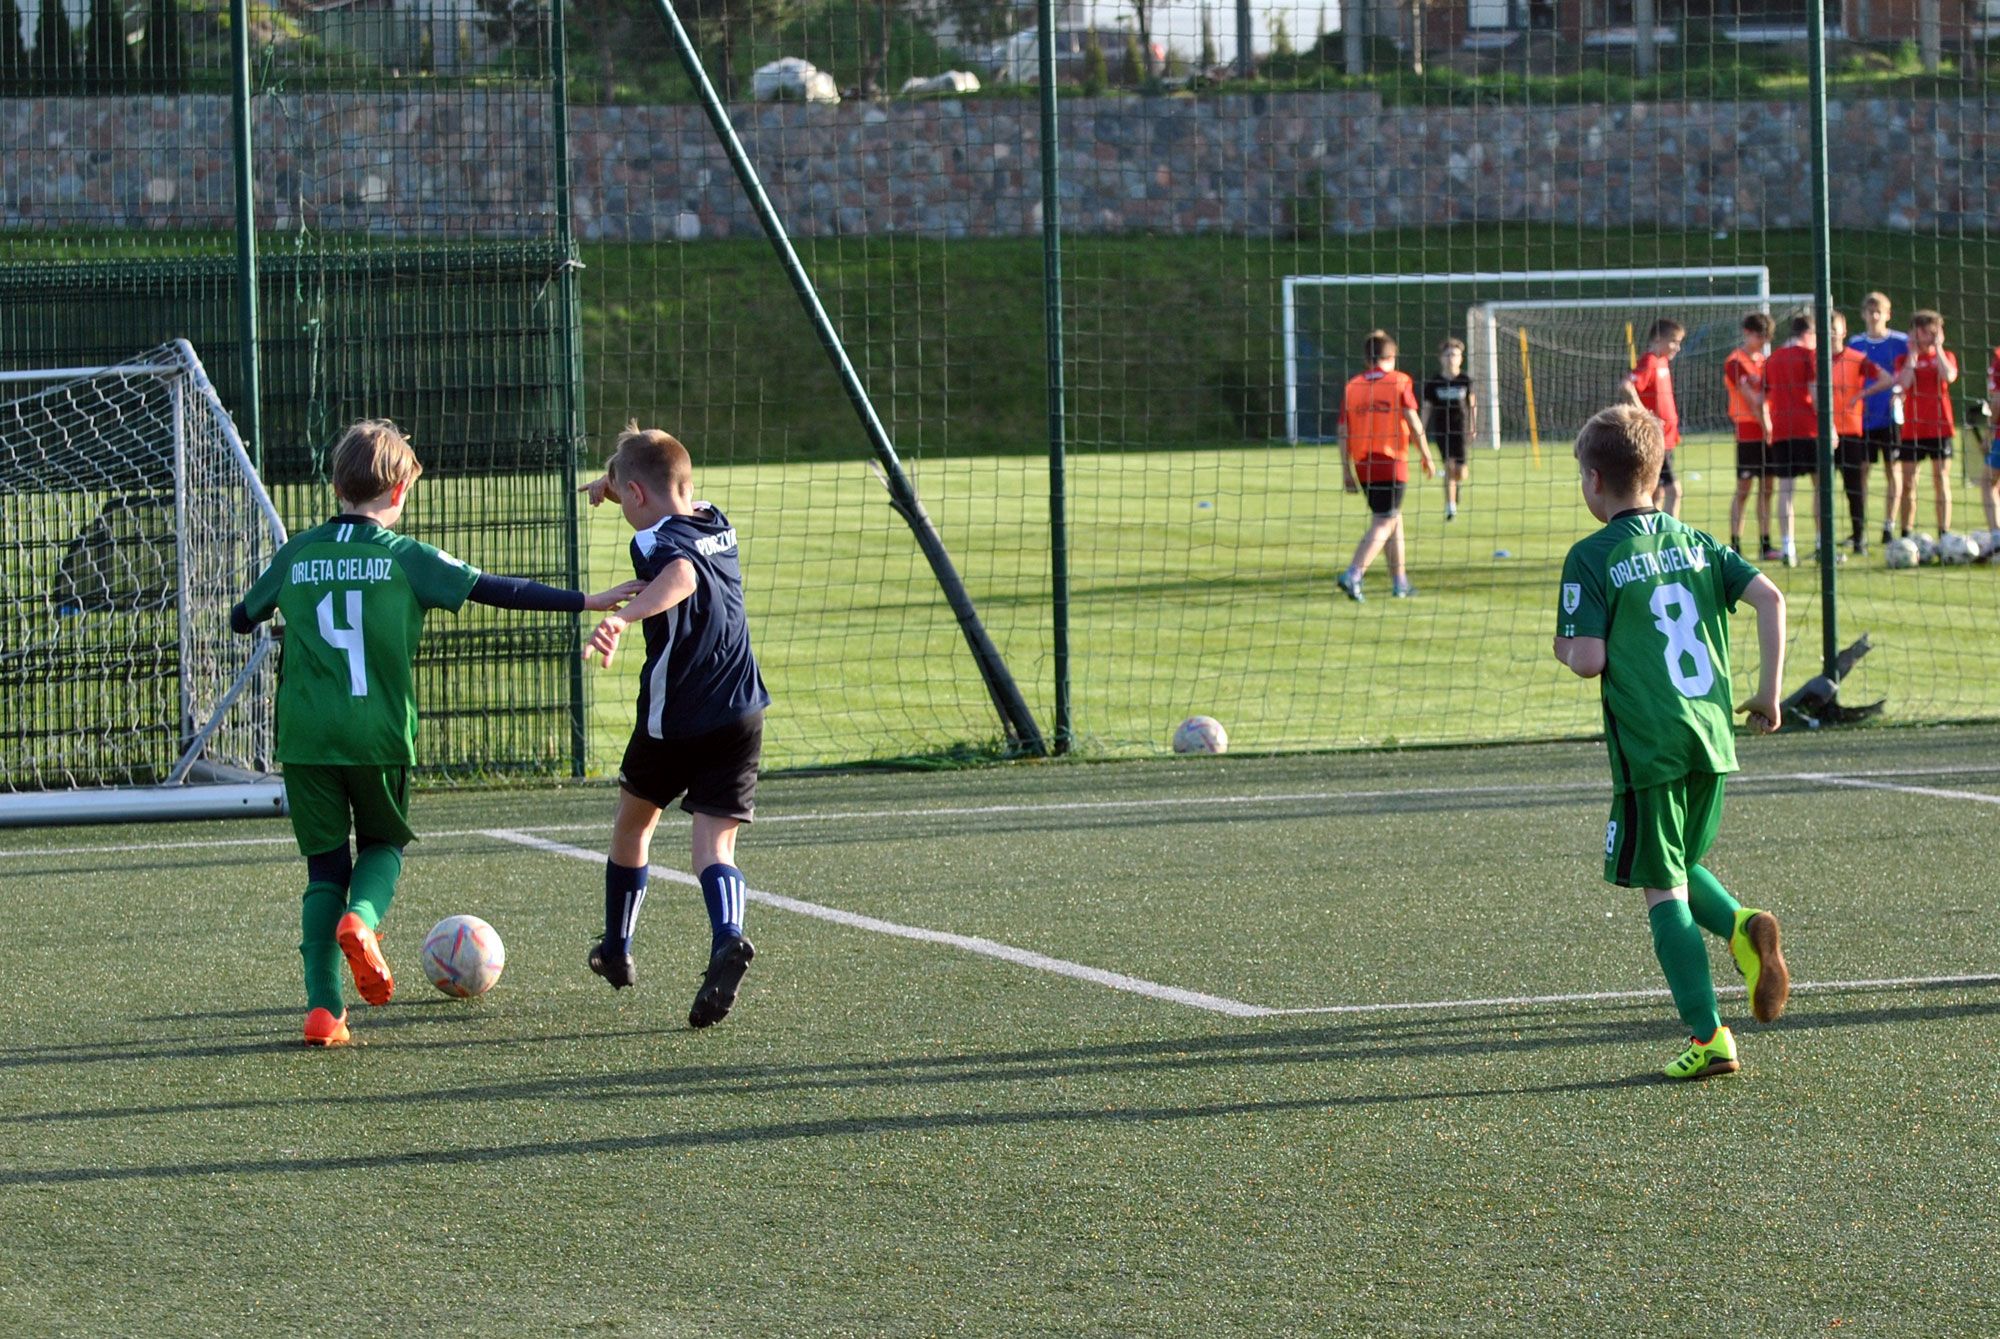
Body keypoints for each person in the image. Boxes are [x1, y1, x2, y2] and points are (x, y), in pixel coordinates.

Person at [231, 420, 641, 1047]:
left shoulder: (299, 551)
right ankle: (362, 919)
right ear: (398, 493)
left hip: (306, 736)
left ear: (336, 484)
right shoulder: (407, 558)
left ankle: (323, 1010)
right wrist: (587, 601)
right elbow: (496, 590)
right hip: (378, 732)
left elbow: (242, 617)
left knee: (322, 867)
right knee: (383, 846)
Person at [1553, 404, 1791, 1081]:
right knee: (1680, 864)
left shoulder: (1593, 554)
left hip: (1650, 745)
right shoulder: (1700, 541)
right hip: (1711, 737)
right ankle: (1744, 926)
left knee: (1662, 887)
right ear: (1655, 475)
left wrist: (1564, 642)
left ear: (1596, 481)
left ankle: (1709, 1033)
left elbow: (1589, 659)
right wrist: (1769, 694)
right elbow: (1771, 598)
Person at [579, 423, 772, 1029]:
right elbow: (664, 485)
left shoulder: (656, 545)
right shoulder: (714, 516)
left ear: (636, 497)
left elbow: (679, 576)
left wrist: (624, 618)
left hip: (677, 718)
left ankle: (617, 949)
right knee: (714, 847)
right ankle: (728, 936)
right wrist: (612, 483)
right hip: (743, 709)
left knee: (633, 826)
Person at [1337, 330, 1436, 602]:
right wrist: (1426, 453)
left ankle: (1399, 581)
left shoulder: (1352, 386)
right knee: (1385, 520)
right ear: (1391, 356)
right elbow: (1413, 421)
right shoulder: (1399, 381)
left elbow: (1343, 431)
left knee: (1393, 517)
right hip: (1392, 460)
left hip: (1362, 463)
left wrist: (1346, 470)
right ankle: (1354, 573)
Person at [1830, 310, 1896, 555]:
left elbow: (1887, 379)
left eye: (1835, 329)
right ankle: (1821, 542)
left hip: (1850, 432)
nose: (1831, 334)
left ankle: (1859, 539)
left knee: (1854, 488)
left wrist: (1860, 394)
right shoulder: (1814, 359)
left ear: (1844, 330)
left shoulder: (1856, 358)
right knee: (1819, 489)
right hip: (1823, 434)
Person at [1847, 292, 1908, 545]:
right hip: (1862, 419)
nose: (1874, 316)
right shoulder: (1855, 343)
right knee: (1861, 472)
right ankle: (1860, 529)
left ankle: (1889, 526)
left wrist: (1901, 394)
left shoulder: (1900, 342)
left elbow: (1905, 374)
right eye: (1869, 311)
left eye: (1878, 311)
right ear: (1863, 314)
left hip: (1890, 418)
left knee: (1893, 471)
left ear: (1887, 314)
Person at [1892, 309, 1960, 538]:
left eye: (1933, 330)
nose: (1928, 335)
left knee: (1941, 479)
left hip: (1941, 427)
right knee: (1909, 483)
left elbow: (1949, 376)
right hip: (1913, 429)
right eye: (1923, 330)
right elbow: (1904, 383)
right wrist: (1912, 353)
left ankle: (1944, 532)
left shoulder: (1946, 355)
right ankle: (1906, 532)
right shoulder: (1904, 359)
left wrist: (1938, 347)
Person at [1760, 312, 1820, 567]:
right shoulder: (1809, 355)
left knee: (1786, 490)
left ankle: (1788, 548)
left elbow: (1762, 397)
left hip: (1782, 429)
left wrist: (1768, 425)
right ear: (1809, 334)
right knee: (1821, 487)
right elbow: (1815, 393)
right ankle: (1821, 545)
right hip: (1809, 428)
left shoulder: (1771, 359)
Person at [1618, 318, 1685, 517]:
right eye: (1674, 341)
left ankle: (1651, 537)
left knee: (1656, 493)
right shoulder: (1649, 361)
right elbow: (1626, 386)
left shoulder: (1662, 361)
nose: (1678, 347)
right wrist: (1646, 416)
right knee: (1675, 492)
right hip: (1656, 439)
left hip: (1668, 438)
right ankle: (1670, 538)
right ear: (1657, 339)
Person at [1724, 312, 1775, 558]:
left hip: (1768, 430)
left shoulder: (1766, 362)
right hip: (1748, 429)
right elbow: (1751, 399)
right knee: (1744, 489)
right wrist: (1765, 423)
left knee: (1768, 488)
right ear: (1747, 333)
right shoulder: (1735, 361)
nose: (1763, 342)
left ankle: (1766, 543)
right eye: (1759, 336)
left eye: (1766, 338)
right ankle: (1735, 543)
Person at [1422, 337, 1476, 520]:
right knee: (1448, 465)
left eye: (1455, 354)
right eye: (1448, 355)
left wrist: (1473, 426)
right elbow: (1427, 407)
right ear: (1441, 358)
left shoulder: (1466, 380)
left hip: (1460, 429)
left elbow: (1472, 405)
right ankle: (1450, 507)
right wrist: (1421, 429)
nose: (1451, 358)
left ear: (1461, 358)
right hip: (1442, 429)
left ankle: (1455, 483)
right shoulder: (1434, 382)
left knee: (1461, 471)